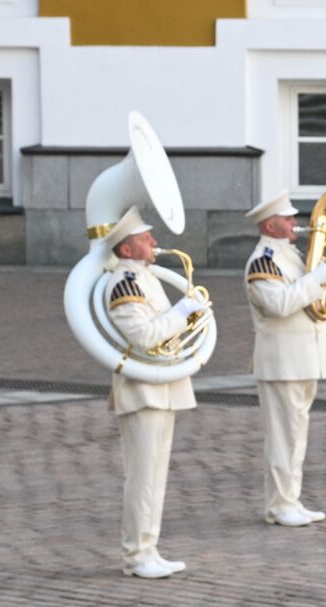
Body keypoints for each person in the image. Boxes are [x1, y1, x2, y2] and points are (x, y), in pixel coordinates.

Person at [102, 207, 205, 578]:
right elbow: (145, 338)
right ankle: (135, 554)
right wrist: (183, 312)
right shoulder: (125, 283)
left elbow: (164, 331)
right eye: (146, 238)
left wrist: (188, 317)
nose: (154, 242)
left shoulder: (144, 277)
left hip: (162, 386)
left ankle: (149, 547)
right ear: (127, 250)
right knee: (142, 477)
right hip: (142, 390)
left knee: (156, 476)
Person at [244, 189, 326, 527]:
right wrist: (318, 279)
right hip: (281, 361)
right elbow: (280, 305)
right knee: (283, 437)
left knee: (296, 435)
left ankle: (290, 499)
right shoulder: (263, 262)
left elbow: (316, 303)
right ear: (270, 226)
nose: (295, 223)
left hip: (303, 357)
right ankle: (280, 504)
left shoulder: (293, 256)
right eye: (287, 219)